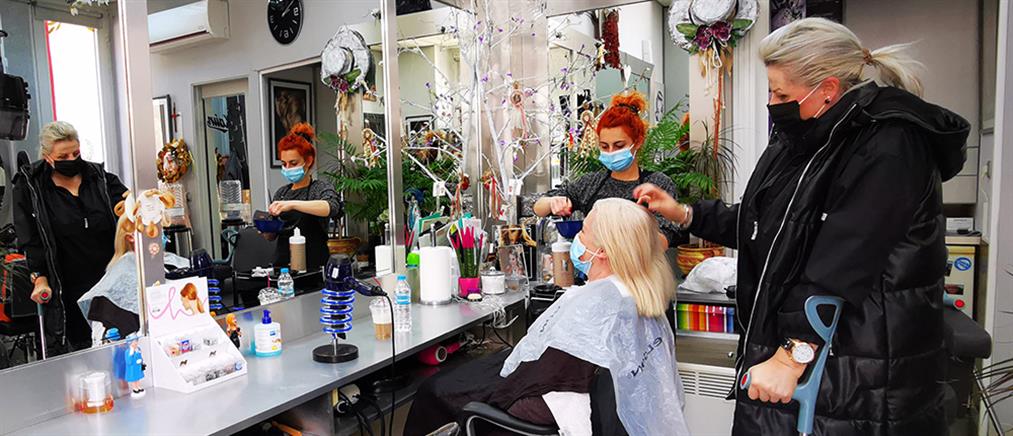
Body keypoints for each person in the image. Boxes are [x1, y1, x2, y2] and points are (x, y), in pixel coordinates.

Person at [633, 17, 969, 435]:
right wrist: (685, 213)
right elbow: (769, 225)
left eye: (781, 93)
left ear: (827, 89)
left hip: (855, 371)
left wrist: (792, 357)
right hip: (798, 352)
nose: (772, 102)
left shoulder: (890, 146)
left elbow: (843, 260)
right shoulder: (802, 139)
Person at [406, 199, 689, 435]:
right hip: (555, 389)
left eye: (584, 231)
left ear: (602, 251)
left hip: (536, 401)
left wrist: (507, 384)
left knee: (433, 389)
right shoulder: (640, 293)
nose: (577, 239)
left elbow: (541, 379)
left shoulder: (598, 303)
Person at [14, 121, 128, 352]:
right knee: (80, 352)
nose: (72, 160)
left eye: (75, 153)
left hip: (109, 283)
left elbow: (130, 211)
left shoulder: (101, 180)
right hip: (66, 288)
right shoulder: (31, 188)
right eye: (63, 156)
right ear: (47, 157)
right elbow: (31, 239)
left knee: (117, 345)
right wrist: (39, 278)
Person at [533, 91, 681, 247]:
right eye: (604, 146)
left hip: (640, 262)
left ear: (638, 142)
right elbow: (538, 207)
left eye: (619, 146)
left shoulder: (657, 185)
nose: (611, 152)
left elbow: (664, 239)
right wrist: (553, 202)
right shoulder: (590, 184)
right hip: (594, 262)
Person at [263, 123, 342, 271]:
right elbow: (271, 237)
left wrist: (292, 204)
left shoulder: (319, 188)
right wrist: (266, 228)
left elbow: (330, 207)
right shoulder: (281, 193)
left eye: (293, 163)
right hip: (283, 267)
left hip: (313, 266)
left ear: (309, 161)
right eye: (284, 164)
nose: (288, 168)